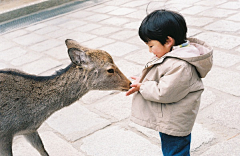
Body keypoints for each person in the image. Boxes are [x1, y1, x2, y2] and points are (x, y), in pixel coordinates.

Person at [126, 9, 213, 156]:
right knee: (172, 149)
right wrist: (143, 79)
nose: (149, 50)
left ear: (168, 41)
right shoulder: (173, 54)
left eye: (151, 45)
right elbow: (162, 74)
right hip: (170, 118)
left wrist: (143, 86)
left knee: (175, 152)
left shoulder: (181, 65)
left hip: (175, 122)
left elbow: (164, 92)